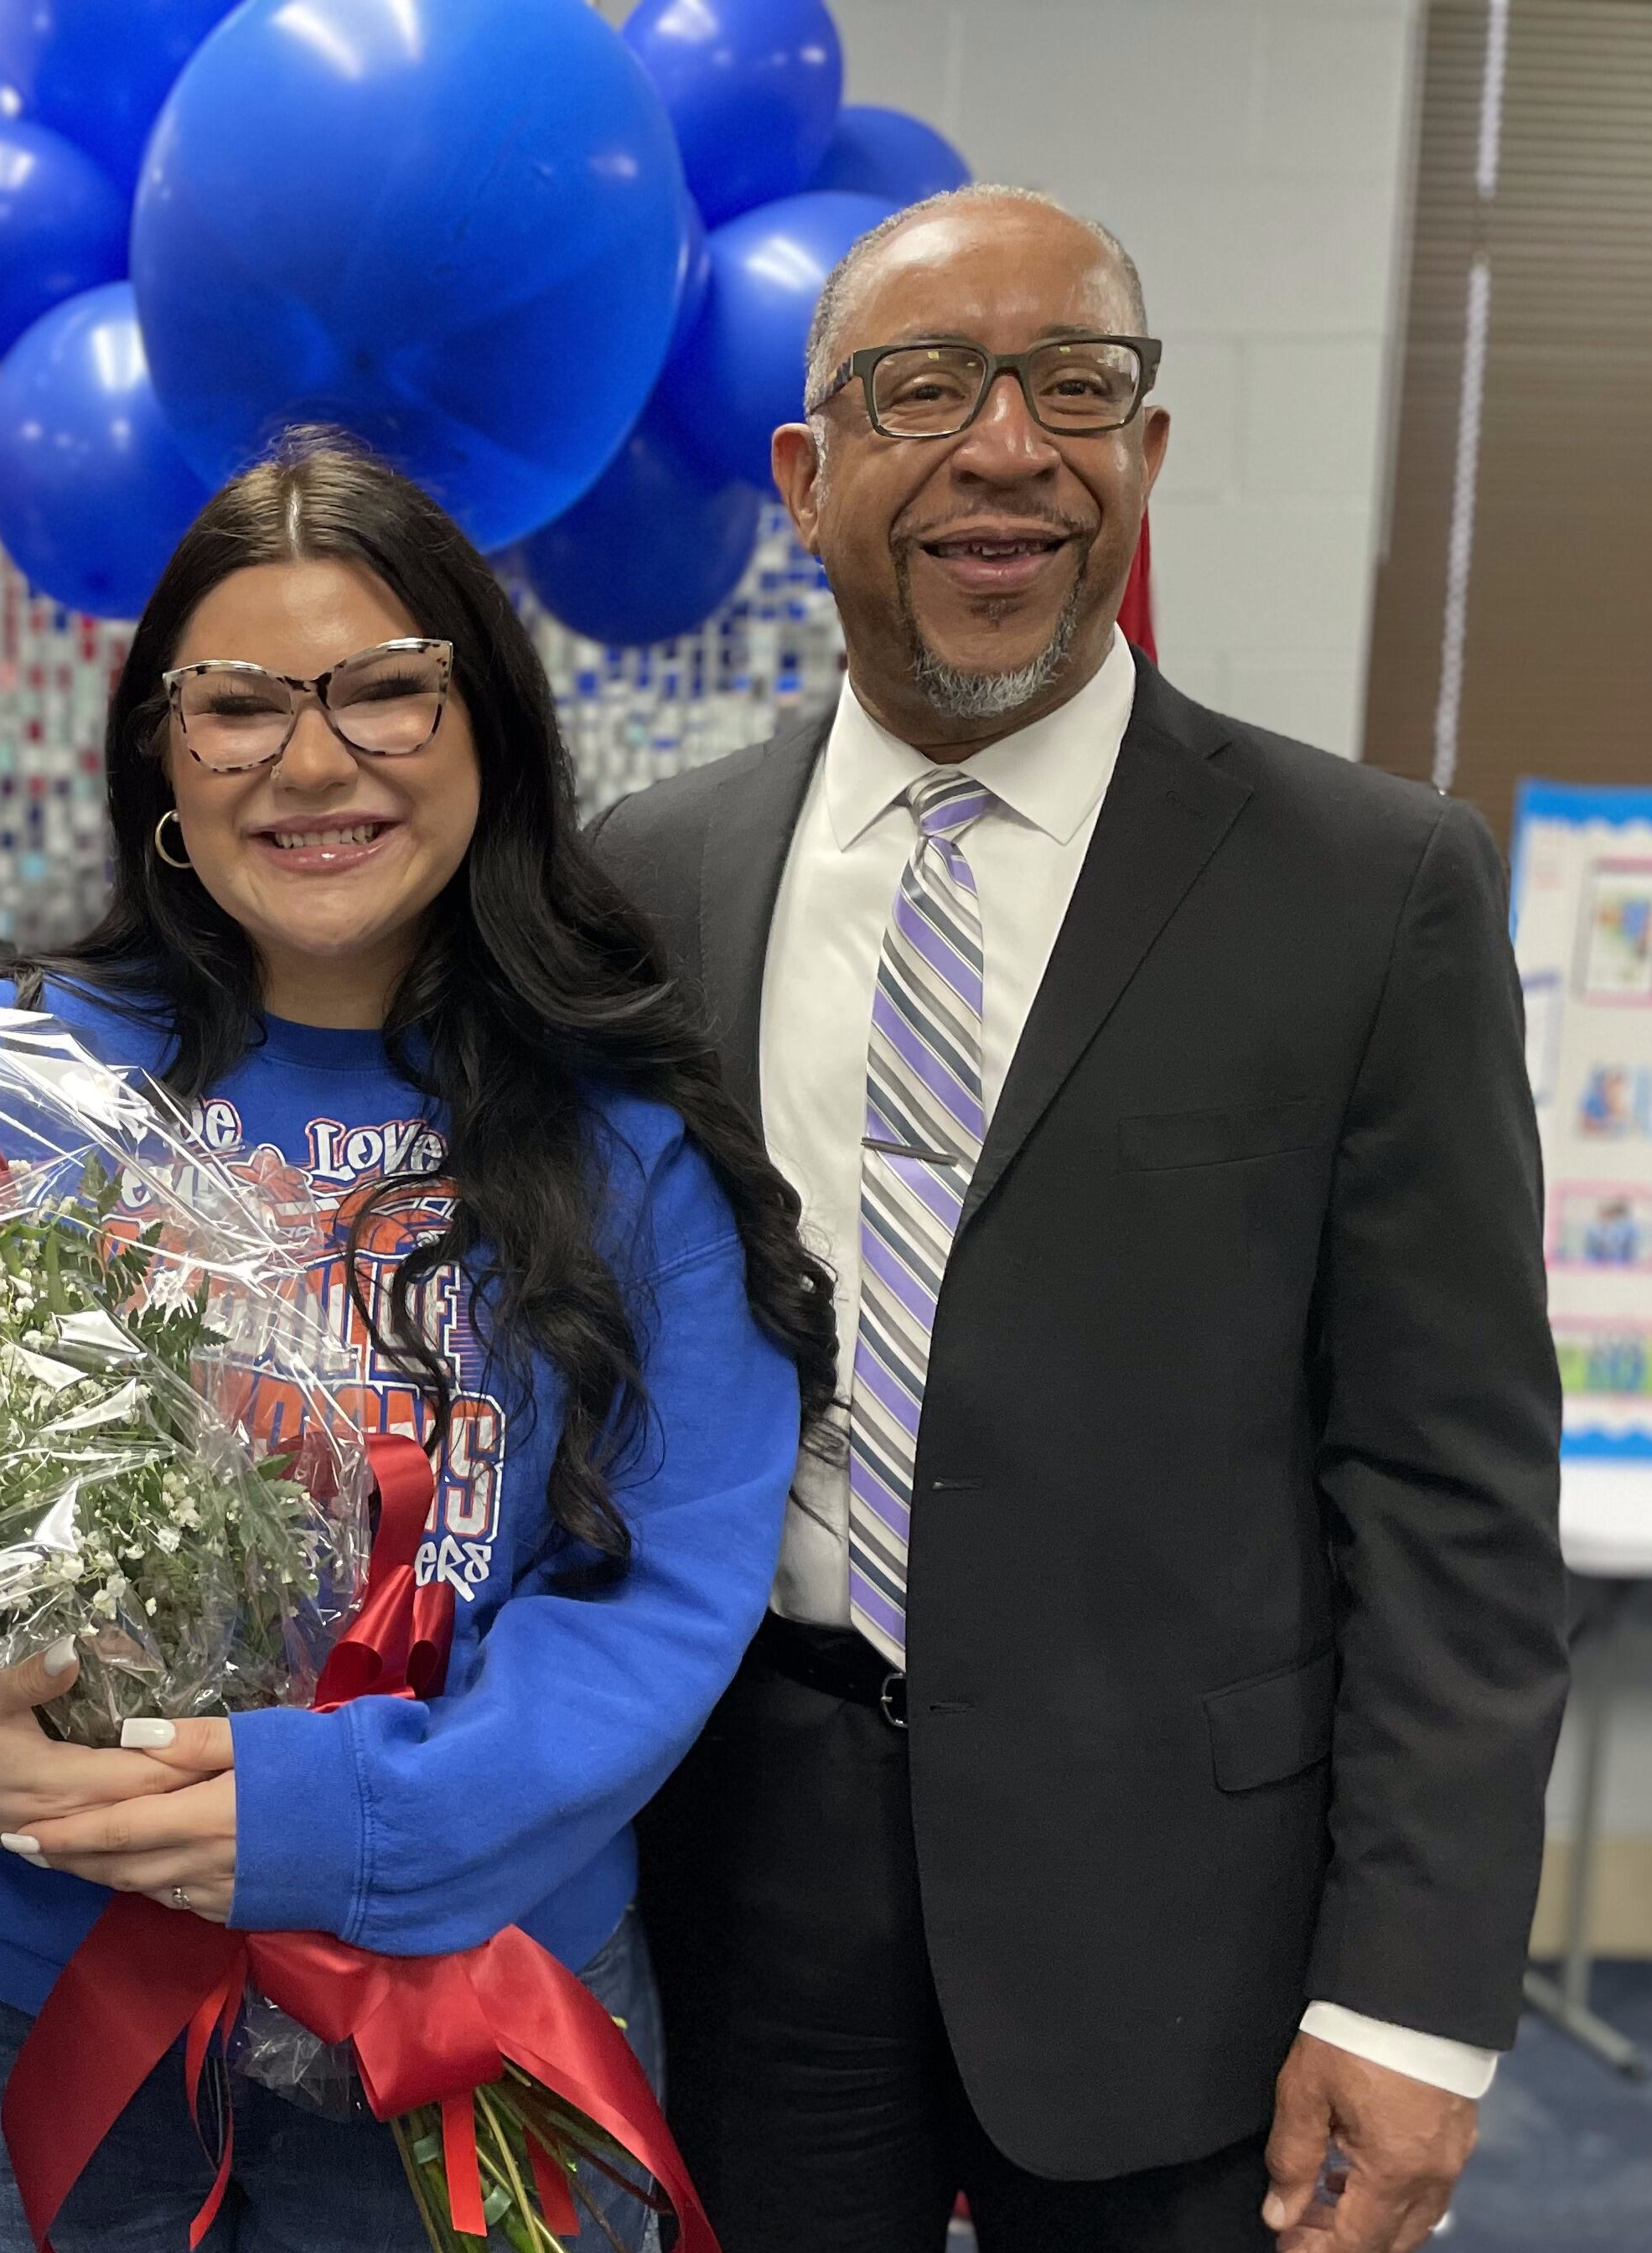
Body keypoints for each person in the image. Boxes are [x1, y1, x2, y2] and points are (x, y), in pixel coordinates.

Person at [592, 187, 1567, 2253]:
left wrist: (1415, 1996)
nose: (1007, 446)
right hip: (745, 1884)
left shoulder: (1370, 887)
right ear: (807, 472)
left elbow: (1451, 1486)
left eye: (1078, 388)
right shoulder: (651, 884)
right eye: (926, 389)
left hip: (1191, 1925)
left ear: (1146, 451)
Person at [0, 430, 840, 2250]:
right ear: (162, 749)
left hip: (471, 1993)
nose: (315, 762)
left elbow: (665, 1599)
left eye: (388, 691)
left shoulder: (624, 1132)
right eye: (238, 707)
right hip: (28, 1985)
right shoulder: (3, 1076)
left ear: (492, 736)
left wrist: (339, 1816)